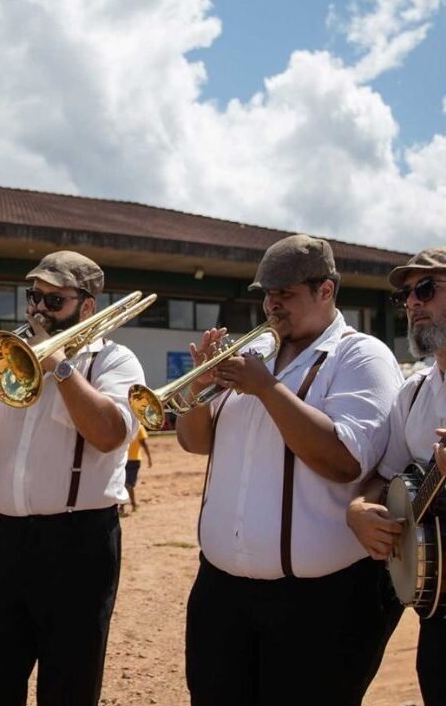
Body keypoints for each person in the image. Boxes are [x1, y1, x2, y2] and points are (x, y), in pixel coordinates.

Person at [176, 234, 403, 706]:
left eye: (285, 293)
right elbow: (196, 443)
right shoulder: (255, 353)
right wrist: (197, 390)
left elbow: (343, 461)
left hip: (320, 603)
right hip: (222, 591)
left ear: (326, 290)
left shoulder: (361, 356)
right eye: (267, 294)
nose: (272, 305)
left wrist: (267, 389)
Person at [0, 250, 146, 706]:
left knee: (69, 681)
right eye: (33, 297)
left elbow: (110, 434)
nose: (38, 310)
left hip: (79, 543)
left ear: (87, 307)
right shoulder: (9, 358)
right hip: (6, 540)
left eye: (54, 301)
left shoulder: (115, 361)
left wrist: (59, 365)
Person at [346, 247, 446, 705]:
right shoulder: (413, 393)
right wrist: (359, 508)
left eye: (425, 289)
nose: (412, 303)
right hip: (439, 612)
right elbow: (383, 478)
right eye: (405, 296)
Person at [121, 424, 152, 516]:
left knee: (125, 483)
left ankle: (126, 505)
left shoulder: (124, 425)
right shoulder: (139, 427)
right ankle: (130, 505)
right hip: (134, 459)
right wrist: (149, 457)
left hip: (124, 459)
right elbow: (143, 443)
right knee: (129, 484)